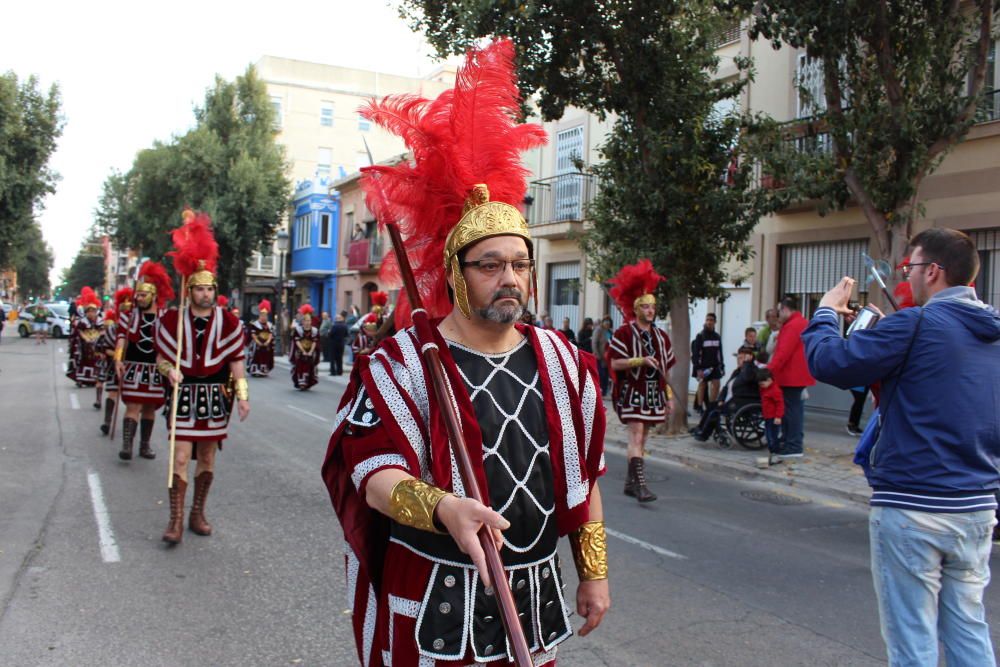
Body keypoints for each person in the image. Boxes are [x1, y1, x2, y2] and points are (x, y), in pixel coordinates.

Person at [321, 39, 608, 667]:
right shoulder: (401, 363)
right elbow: (373, 477)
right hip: (432, 601)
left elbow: (582, 480)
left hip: (532, 597)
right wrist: (444, 506)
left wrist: (593, 571)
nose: (510, 278)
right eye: (490, 265)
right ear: (457, 273)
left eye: (520, 264)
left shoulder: (565, 364)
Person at [802, 228, 1000, 666]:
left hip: (914, 504)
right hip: (977, 507)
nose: (906, 279)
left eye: (909, 268)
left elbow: (831, 361)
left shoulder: (918, 323)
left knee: (913, 644)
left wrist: (823, 314)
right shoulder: (993, 333)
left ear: (933, 271)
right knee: (969, 630)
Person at [155, 210, 249, 545]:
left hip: (213, 398)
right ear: (190, 291)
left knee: (207, 457)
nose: (205, 294)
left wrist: (242, 395)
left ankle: (198, 513)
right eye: (200, 289)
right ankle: (175, 520)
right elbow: (161, 359)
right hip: (183, 395)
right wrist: (170, 370)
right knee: (179, 457)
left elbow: (236, 360)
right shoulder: (170, 322)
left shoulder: (230, 324)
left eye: (210, 289)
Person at [608, 259, 676, 503]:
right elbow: (615, 363)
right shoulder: (624, 333)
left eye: (652, 307)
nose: (650, 310)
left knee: (643, 439)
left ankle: (629, 483)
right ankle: (641, 486)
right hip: (632, 392)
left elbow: (665, 369)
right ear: (636, 309)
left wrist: (668, 398)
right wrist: (641, 361)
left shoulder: (661, 337)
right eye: (645, 306)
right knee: (636, 437)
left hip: (654, 394)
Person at [116, 262, 174, 461]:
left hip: (156, 370)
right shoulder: (128, 316)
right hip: (134, 367)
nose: (138, 298)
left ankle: (144, 445)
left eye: (143, 295)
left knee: (149, 408)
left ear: (154, 296)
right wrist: (118, 360)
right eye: (137, 295)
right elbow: (121, 339)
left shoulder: (165, 317)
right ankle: (127, 445)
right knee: (133, 406)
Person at [766, 295, 814, 460]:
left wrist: (769, 370)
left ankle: (793, 445)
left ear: (786, 309)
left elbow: (783, 353)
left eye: (779, 311)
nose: (778, 315)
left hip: (791, 376)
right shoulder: (799, 323)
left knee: (792, 412)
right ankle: (789, 442)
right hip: (796, 375)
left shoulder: (793, 326)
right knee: (792, 411)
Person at [691, 345, 759, 442]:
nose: (738, 360)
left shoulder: (752, 370)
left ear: (749, 358)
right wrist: (721, 399)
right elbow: (726, 387)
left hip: (740, 403)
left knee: (715, 412)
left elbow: (746, 378)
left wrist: (748, 363)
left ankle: (704, 434)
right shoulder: (738, 371)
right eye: (738, 358)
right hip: (730, 400)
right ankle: (700, 428)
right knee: (711, 406)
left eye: (741, 358)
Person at [97, 289, 132, 435]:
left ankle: (129, 433)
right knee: (112, 393)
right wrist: (119, 356)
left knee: (133, 403)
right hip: (115, 365)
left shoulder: (137, 326)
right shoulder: (113, 329)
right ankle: (107, 421)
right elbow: (106, 348)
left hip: (132, 366)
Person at [67, 288, 102, 390]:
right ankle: (81, 379)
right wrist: (86, 339)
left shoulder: (100, 321)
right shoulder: (82, 321)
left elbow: (102, 331)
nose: (91, 314)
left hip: (96, 344)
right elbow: (79, 331)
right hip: (84, 346)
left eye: (93, 311)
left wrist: (97, 338)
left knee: (96, 362)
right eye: (89, 312)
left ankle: (94, 379)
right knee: (82, 361)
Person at [691, 312, 724, 409]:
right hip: (703, 366)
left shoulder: (717, 336)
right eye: (707, 320)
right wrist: (698, 368)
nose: (709, 322)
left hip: (714, 366)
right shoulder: (700, 336)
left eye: (711, 320)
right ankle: (700, 406)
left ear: (715, 322)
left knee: (717, 384)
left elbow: (719, 352)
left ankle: (711, 406)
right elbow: (696, 354)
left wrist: (722, 364)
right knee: (702, 385)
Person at [756, 368, 784, 466]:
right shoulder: (765, 389)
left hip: (774, 418)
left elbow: (780, 404)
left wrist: (778, 416)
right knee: (768, 436)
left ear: (769, 380)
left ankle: (776, 454)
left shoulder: (775, 391)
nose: (761, 387)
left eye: (762, 384)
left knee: (773, 437)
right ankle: (773, 453)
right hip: (768, 417)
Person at [290, 304, 320, 390]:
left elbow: (315, 341)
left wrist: (311, 351)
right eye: (306, 320)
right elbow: (297, 341)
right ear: (303, 321)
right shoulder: (298, 330)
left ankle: (307, 383)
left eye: (309, 320)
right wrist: (302, 350)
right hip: (300, 352)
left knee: (309, 368)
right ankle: (301, 383)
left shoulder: (314, 330)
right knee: (300, 368)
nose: (307, 322)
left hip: (310, 352)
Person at [246, 299, 276, 377]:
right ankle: (255, 369)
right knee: (256, 353)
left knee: (266, 355)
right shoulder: (254, 324)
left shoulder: (269, 325)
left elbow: (271, 334)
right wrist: (258, 342)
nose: (264, 317)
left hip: (266, 344)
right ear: (259, 315)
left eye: (265, 315)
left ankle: (264, 369)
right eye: (262, 315)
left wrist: (267, 342)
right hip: (257, 344)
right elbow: (253, 335)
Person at [592, 316, 612, 396]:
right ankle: (598, 391)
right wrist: (597, 354)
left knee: (606, 375)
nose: (607, 324)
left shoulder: (610, 331)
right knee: (601, 374)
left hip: (608, 357)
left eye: (608, 323)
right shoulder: (598, 330)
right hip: (600, 356)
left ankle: (604, 392)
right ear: (603, 323)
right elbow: (594, 343)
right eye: (606, 322)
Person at [328, 311, 348, 376]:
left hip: (333, 343)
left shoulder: (334, 326)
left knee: (332, 358)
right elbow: (346, 334)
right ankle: (340, 371)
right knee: (339, 358)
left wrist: (329, 332)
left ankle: (333, 372)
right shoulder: (345, 325)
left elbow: (331, 334)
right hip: (341, 343)